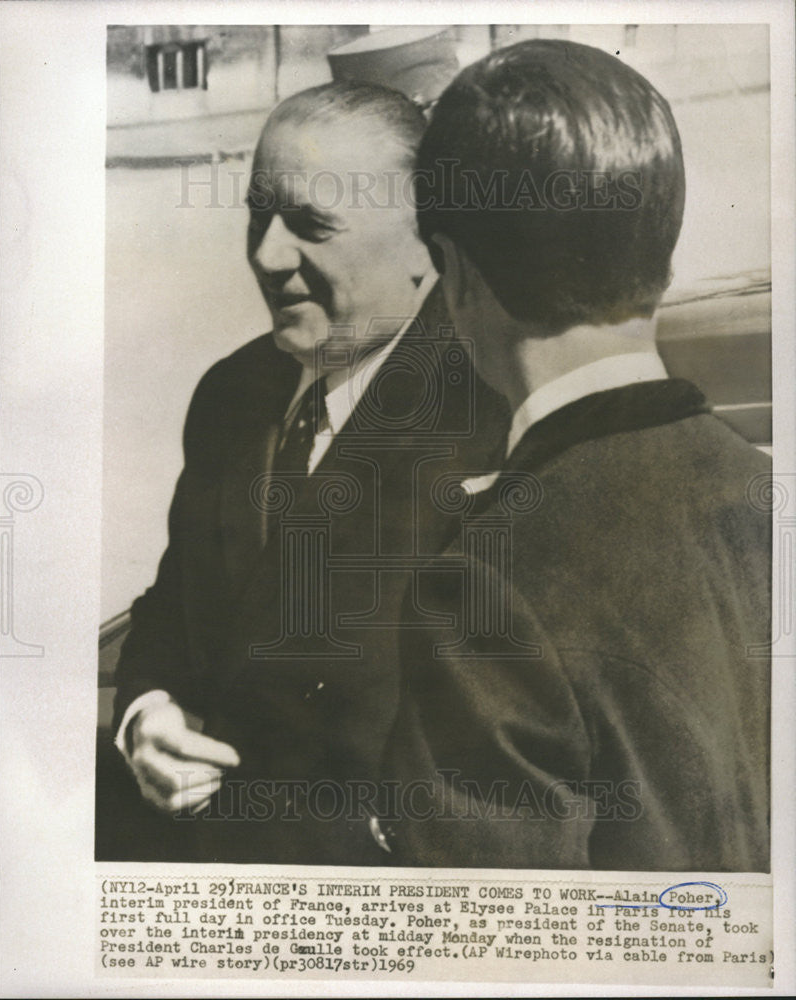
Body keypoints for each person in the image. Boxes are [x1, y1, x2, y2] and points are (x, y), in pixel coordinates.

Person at [381, 39, 771, 871]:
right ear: (660, 250)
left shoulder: (489, 582)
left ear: (454, 275)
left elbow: (495, 954)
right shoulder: (764, 489)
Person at [110, 80, 508, 864]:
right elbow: (176, 604)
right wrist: (145, 715)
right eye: (259, 212)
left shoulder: (489, 418)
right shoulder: (233, 393)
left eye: (310, 224)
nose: (266, 255)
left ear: (430, 245)